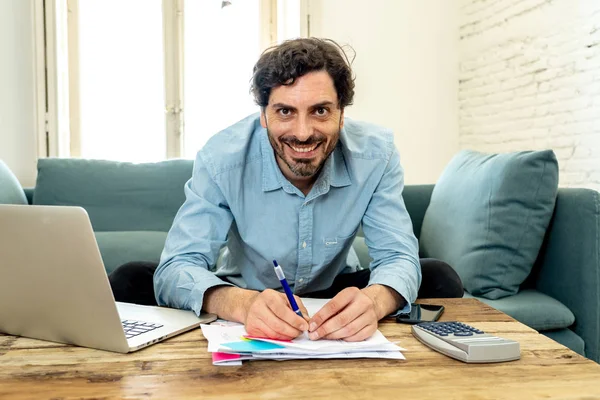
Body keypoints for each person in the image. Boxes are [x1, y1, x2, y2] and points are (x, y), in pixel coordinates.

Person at [109, 38, 463, 343]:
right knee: (129, 279)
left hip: (334, 291)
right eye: (285, 111)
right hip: (246, 289)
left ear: (342, 114)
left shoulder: (376, 154)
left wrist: (373, 302)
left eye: (320, 110)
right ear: (263, 115)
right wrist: (241, 304)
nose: (304, 132)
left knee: (439, 276)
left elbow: (398, 256)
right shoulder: (221, 157)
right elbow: (178, 265)